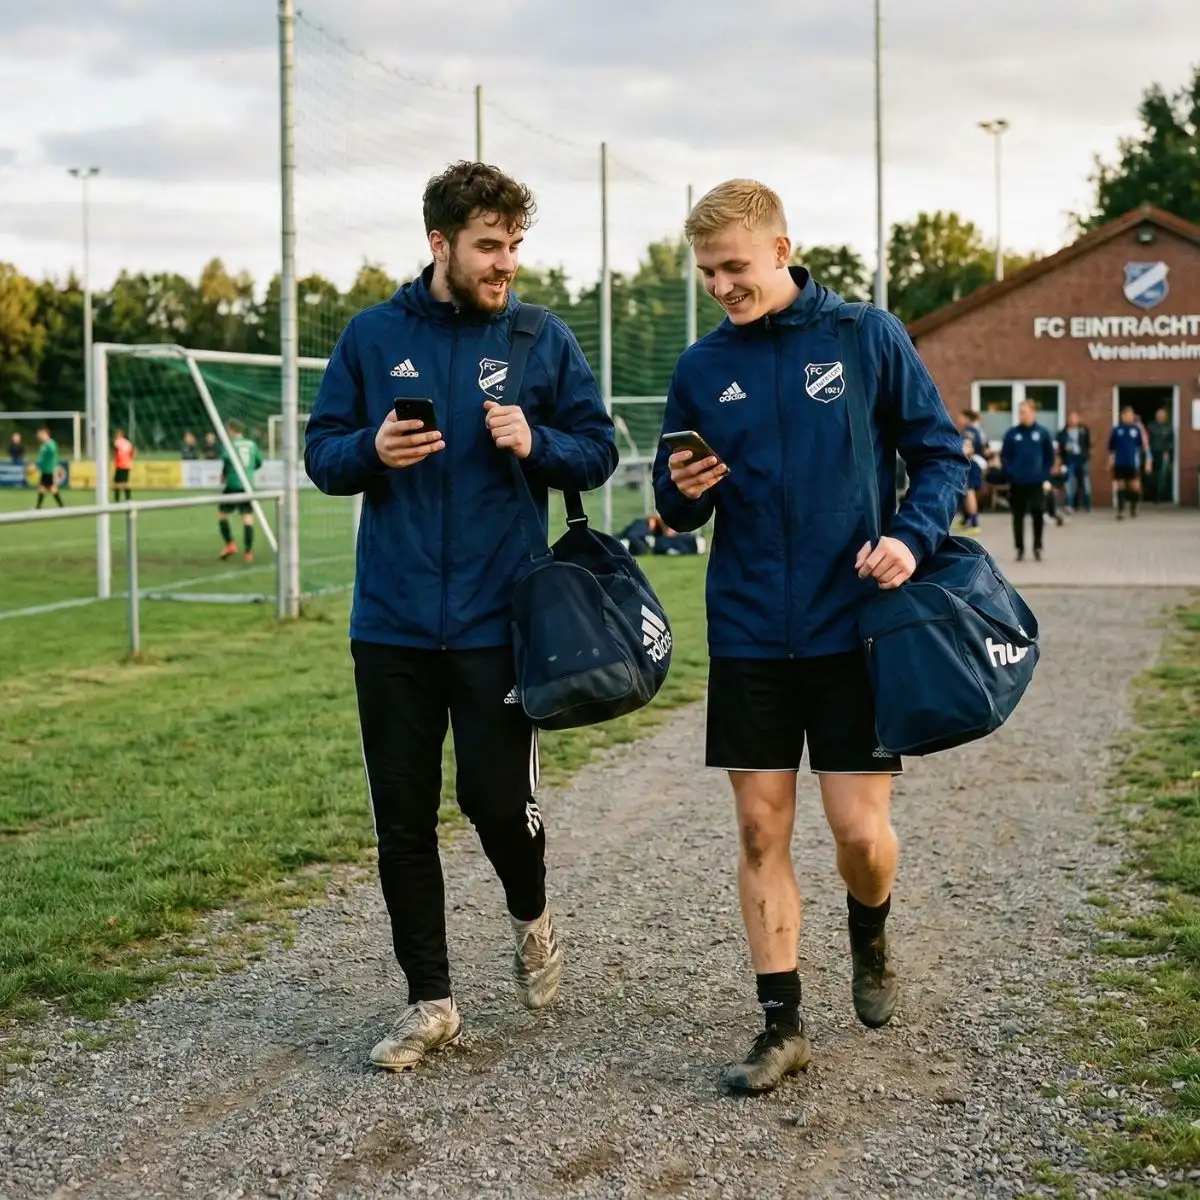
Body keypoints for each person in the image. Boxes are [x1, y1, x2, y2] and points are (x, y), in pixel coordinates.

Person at [652, 179, 966, 1096]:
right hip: (750, 626)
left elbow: (942, 455)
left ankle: (870, 934)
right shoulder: (702, 365)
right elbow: (672, 504)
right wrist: (685, 490)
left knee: (860, 831)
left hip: (851, 627)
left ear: (783, 249)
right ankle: (781, 1023)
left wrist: (910, 540)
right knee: (759, 827)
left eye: (735, 267)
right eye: (707, 272)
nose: (721, 286)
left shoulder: (865, 337)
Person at [304, 161, 618, 1074]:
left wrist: (538, 441)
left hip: (497, 621)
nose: (505, 263)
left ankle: (533, 920)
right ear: (439, 243)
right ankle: (430, 1000)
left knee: (492, 801)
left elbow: (596, 451)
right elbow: (324, 454)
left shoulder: (538, 337)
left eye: (515, 246)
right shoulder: (371, 336)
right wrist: (372, 447)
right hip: (392, 625)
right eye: (489, 245)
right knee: (401, 817)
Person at [1000, 402, 1054, 561]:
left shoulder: (1042, 433)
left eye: (1025, 412)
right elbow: (1005, 456)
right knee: (1018, 516)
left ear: (1033, 413)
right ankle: (1019, 548)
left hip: (1036, 481)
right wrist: (1011, 473)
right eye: (1021, 412)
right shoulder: (1012, 434)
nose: (1022, 415)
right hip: (1018, 483)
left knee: (1038, 511)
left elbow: (1049, 456)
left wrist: (1044, 474)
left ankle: (1037, 545)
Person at [217, 419, 263, 562]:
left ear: (231, 430)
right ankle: (248, 553)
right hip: (247, 485)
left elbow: (226, 460)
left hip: (233, 484)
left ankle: (230, 545)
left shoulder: (229, 444)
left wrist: (224, 475)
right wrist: (247, 471)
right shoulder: (252, 444)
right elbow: (258, 463)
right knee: (247, 518)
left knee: (222, 515)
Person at [1108, 405, 1147, 519]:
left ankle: (1134, 507)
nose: (1128, 417)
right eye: (1126, 415)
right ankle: (1120, 510)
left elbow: (1141, 446)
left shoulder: (1136, 429)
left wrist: (1144, 460)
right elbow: (1111, 447)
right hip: (1119, 462)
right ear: (1122, 416)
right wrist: (1110, 461)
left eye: (1130, 415)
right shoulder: (1116, 430)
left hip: (1132, 462)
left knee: (1135, 486)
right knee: (1120, 486)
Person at [1055, 412, 1091, 514]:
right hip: (1069, 459)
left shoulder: (1083, 431)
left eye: (1075, 418)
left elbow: (1087, 444)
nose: (1072, 420)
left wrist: (1086, 455)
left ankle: (1087, 505)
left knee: (1085, 483)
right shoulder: (1062, 433)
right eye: (1070, 418)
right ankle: (1069, 505)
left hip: (1081, 459)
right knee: (1069, 483)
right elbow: (1059, 448)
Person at [1146, 407, 1174, 504]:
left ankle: (1159, 497)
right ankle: (1150, 495)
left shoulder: (1169, 427)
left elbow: (1170, 441)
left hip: (1163, 453)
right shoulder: (1151, 426)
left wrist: (1167, 451)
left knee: (1161, 475)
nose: (1161, 417)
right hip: (1151, 452)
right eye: (1159, 415)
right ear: (1156, 416)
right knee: (1150, 475)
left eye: (1162, 415)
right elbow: (1147, 440)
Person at [33, 426, 64, 509]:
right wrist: (37, 466)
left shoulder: (51, 444)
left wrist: (57, 468)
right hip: (45, 470)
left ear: (46, 434)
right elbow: (42, 458)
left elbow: (54, 456)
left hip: (50, 470)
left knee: (51, 488)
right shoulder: (43, 445)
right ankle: (39, 507)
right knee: (43, 487)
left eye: (40, 434)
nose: (39, 436)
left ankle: (61, 507)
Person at [113, 429, 136, 502]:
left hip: (120, 464)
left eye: (116, 434)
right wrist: (129, 459)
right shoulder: (128, 443)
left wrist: (115, 459)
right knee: (126, 481)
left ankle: (117, 499)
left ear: (119, 435)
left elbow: (116, 451)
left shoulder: (117, 442)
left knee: (117, 482)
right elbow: (133, 453)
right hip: (127, 464)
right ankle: (128, 498)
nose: (115, 436)